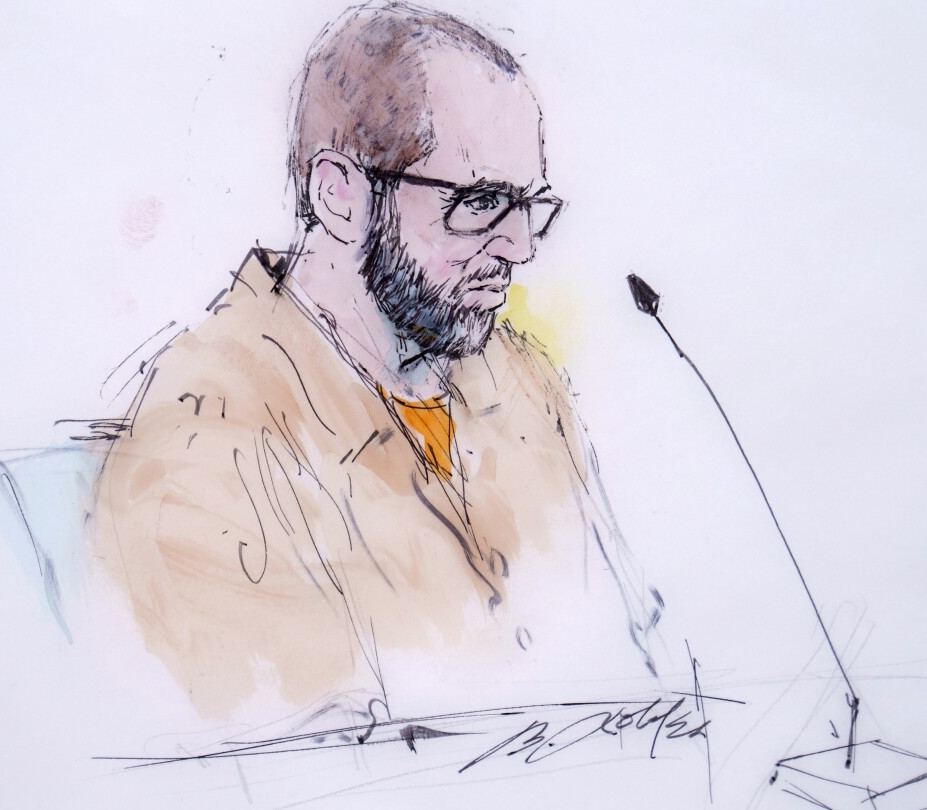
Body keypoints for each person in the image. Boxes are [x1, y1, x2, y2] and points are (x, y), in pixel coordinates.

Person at [93, 2, 662, 726]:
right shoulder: (202, 441)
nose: (520, 249)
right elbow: (295, 757)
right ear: (339, 194)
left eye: (529, 205)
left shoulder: (523, 380)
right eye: (482, 202)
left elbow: (636, 661)